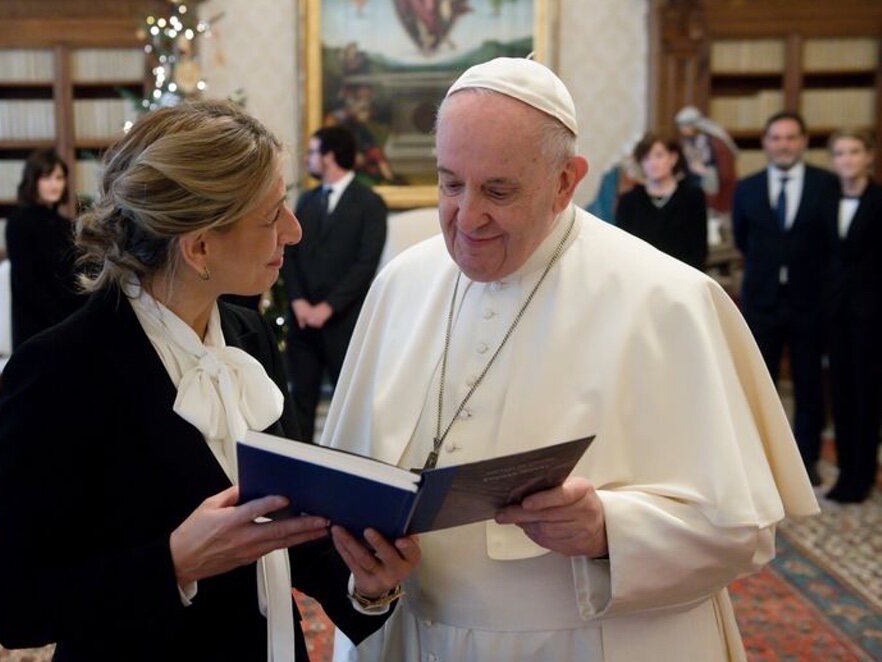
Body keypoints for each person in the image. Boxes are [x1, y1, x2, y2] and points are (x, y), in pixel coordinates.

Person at [325, 57, 818, 661]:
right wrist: (368, 578)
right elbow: (345, 491)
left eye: (498, 190)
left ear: (565, 181)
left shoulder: (668, 300)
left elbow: (744, 529)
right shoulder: (401, 285)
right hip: (415, 638)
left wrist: (609, 530)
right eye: (450, 183)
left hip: (589, 644)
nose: (468, 216)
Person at [0, 101, 420, 661]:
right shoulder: (57, 372)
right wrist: (174, 563)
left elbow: (284, 525)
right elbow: (17, 608)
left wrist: (366, 584)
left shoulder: (249, 335)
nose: (294, 230)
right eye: (272, 215)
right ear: (200, 246)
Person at [732, 111, 840, 486]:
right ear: (765, 143)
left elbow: (831, 243)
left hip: (809, 302)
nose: (783, 145)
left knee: (810, 386)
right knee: (761, 388)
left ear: (804, 141)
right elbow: (743, 239)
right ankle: (761, 465)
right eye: (776, 138)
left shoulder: (826, 185)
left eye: (791, 138)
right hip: (762, 302)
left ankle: (805, 462)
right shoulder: (747, 187)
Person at [282, 126, 387, 442]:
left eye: (313, 152)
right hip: (302, 324)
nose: (308, 159)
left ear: (328, 157)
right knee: (299, 406)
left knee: (349, 410)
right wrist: (299, 302)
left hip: (344, 323)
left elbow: (365, 265)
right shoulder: (307, 200)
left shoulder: (369, 203)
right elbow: (290, 255)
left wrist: (327, 308)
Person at [823, 129, 881, 503]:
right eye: (839, 153)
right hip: (834, 314)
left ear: (869, 156)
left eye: (854, 152)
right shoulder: (825, 201)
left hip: (872, 315)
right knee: (840, 394)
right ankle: (846, 473)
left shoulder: (879, 202)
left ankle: (862, 476)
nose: (847, 159)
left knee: (867, 396)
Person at [5, 149, 86, 347]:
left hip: (68, 320)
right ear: (33, 181)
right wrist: (64, 320)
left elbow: (73, 275)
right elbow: (27, 283)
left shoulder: (66, 224)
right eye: (46, 177)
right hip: (37, 326)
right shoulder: (19, 222)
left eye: (59, 178)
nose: (54, 184)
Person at [616, 131, 708, 270]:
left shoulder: (692, 197)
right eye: (646, 158)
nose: (652, 163)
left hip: (682, 279)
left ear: (673, 158)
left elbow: (699, 250)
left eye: (659, 156)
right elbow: (622, 250)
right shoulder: (629, 201)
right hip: (640, 277)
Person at [675, 105, 738, 219]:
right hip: (691, 179)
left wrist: (703, 169)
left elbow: (723, 169)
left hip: (709, 178)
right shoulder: (686, 141)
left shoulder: (713, 141)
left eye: (684, 125)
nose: (682, 129)